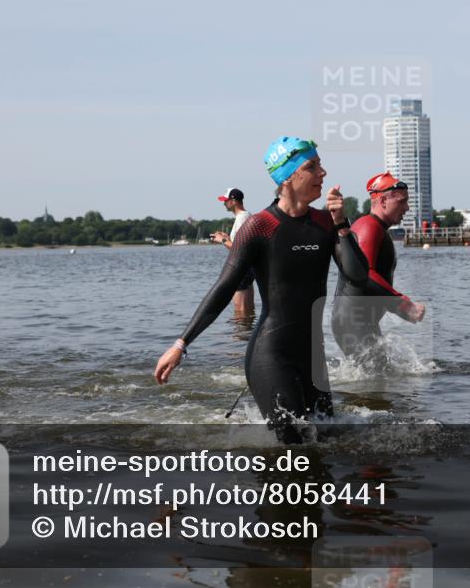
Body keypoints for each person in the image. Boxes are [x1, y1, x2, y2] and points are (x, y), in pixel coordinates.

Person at [154, 136, 368, 443]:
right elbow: (224, 288)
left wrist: (342, 224)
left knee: (328, 441)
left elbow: (357, 276)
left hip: (312, 358)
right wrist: (181, 344)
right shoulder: (260, 227)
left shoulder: (324, 222)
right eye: (313, 166)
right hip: (272, 354)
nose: (323, 173)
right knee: (295, 442)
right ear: (288, 177)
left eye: (319, 164)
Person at [331, 172, 426, 359]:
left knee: (379, 379)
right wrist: (403, 304)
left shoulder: (375, 227)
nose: (407, 207)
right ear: (383, 201)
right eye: (402, 201)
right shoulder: (369, 227)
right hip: (352, 322)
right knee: (370, 382)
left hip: (359, 320)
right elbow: (366, 275)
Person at [211, 188, 255, 316]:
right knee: (247, 310)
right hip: (247, 267)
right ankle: (247, 333)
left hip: (242, 268)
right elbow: (241, 243)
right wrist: (227, 238)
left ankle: (241, 335)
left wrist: (223, 240)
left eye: (226, 201)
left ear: (233, 201)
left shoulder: (242, 218)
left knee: (240, 311)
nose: (224, 203)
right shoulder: (244, 216)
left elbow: (241, 248)